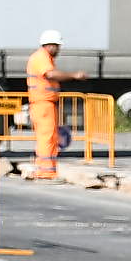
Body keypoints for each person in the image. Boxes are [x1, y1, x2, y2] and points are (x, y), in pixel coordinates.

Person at [24, 28, 79, 173]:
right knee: (46, 138)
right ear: (50, 45)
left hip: (45, 104)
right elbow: (50, 74)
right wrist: (74, 75)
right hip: (43, 104)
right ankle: (46, 171)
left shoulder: (44, 57)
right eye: (57, 46)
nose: (59, 49)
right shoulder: (41, 57)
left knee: (50, 137)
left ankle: (47, 169)